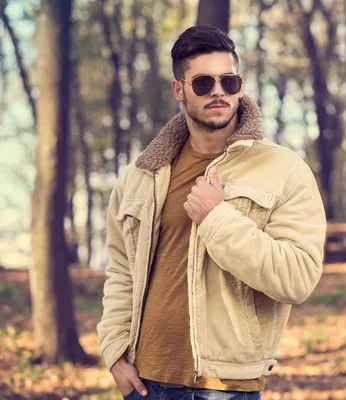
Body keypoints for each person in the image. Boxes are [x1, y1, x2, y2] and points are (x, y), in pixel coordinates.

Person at [97, 25, 327, 400]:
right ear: (179, 90)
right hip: (145, 383)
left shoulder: (284, 169)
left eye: (229, 81)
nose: (218, 91)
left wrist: (217, 218)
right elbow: (121, 271)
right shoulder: (141, 176)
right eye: (203, 83)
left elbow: (298, 277)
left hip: (224, 387)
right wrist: (114, 352)